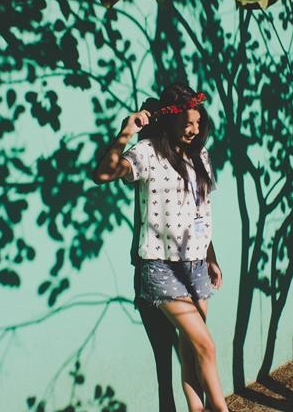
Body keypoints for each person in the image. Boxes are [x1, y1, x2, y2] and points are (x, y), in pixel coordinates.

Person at [92, 83, 229, 412]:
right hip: (161, 266)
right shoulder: (147, 152)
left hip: (196, 265)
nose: (193, 130)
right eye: (187, 123)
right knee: (206, 346)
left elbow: (200, 213)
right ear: (170, 121)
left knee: (191, 351)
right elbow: (103, 173)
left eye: (198, 123)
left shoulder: (200, 156)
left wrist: (211, 258)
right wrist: (126, 130)